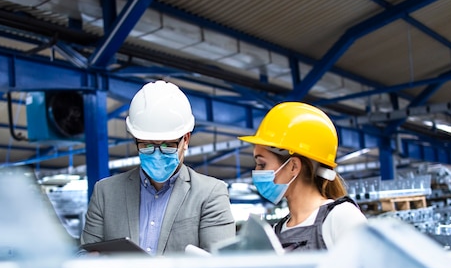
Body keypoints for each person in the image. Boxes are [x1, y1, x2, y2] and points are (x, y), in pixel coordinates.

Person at [80, 80, 236, 255]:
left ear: (186, 140)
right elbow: (84, 256)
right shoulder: (105, 193)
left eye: (167, 145)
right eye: (147, 145)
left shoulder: (210, 194)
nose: (157, 154)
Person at [238, 101, 367, 251]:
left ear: (293, 166)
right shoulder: (276, 232)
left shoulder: (342, 218)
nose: (256, 172)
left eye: (262, 164)